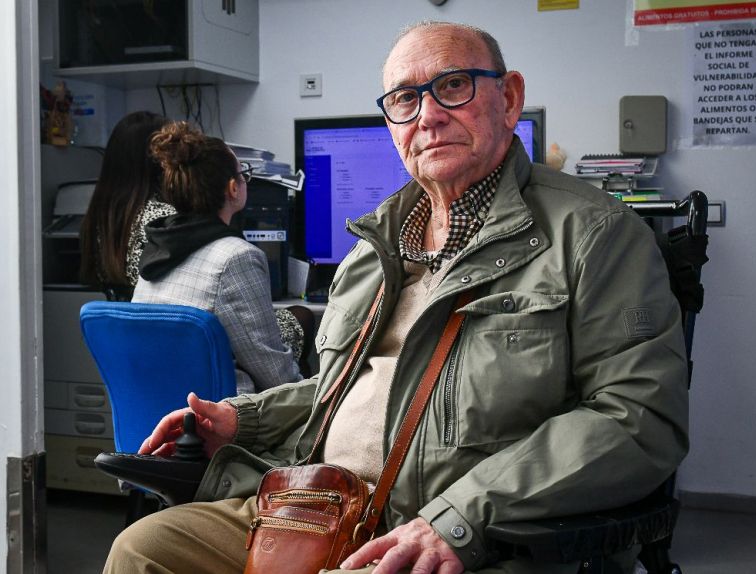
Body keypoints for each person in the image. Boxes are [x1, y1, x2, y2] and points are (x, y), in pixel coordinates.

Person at [105, 21, 689, 574]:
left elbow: (638, 418)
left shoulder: (595, 237)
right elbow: (359, 387)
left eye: (453, 86)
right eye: (405, 99)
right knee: (144, 548)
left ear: (509, 99)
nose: (428, 116)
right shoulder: (371, 250)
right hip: (322, 505)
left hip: (468, 527)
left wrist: (461, 518)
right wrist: (243, 420)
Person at [133, 120, 304, 394]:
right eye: (243, 173)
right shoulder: (236, 258)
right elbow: (274, 373)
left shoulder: (156, 248)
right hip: (223, 423)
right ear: (233, 188)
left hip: (161, 416)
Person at [80, 111, 175, 296]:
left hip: (119, 320)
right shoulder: (164, 218)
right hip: (156, 318)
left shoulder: (101, 216)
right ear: (158, 158)